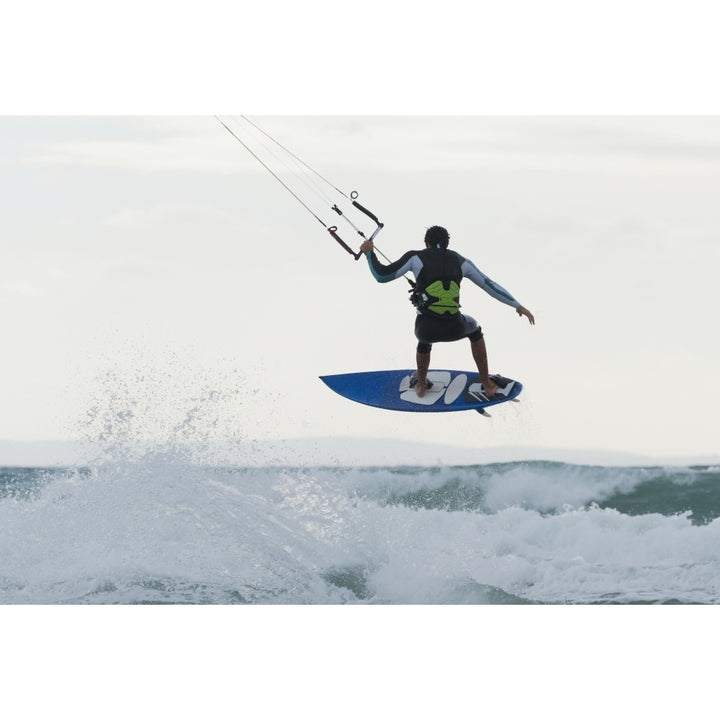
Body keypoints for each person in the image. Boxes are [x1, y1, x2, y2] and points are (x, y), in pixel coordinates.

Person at [359, 225, 535, 398]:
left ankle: (420, 385)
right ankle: (487, 385)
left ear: (426, 242)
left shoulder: (415, 257)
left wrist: (369, 252)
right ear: (447, 243)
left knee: (424, 334)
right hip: (456, 328)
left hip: (426, 331)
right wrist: (517, 305)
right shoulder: (461, 261)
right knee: (475, 329)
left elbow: (381, 275)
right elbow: (489, 285)